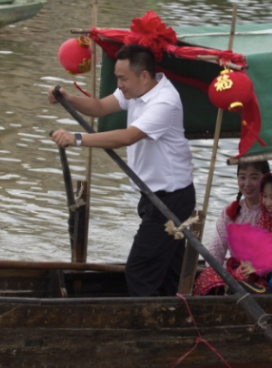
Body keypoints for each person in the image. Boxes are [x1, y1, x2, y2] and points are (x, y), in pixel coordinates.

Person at [49, 44, 194, 296]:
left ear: (144, 76)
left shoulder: (164, 102)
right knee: (170, 271)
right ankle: (174, 317)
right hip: (151, 196)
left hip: (171, 200)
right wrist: (67, 98)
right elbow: (100, 107)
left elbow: (128, 137)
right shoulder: (134, 91)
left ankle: (147, 327)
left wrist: (77, 139)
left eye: (122, 78)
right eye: (118, 78)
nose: (120, 84)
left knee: (139, 271)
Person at [191, 159, 270, 295]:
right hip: (234, 275)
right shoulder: (230, 212)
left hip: (263, 277)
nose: (247, 184)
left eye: (254, 177)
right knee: (207, 277)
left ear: (265, 179)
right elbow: (216, 252)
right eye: (242, 177)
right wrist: (225, 275)